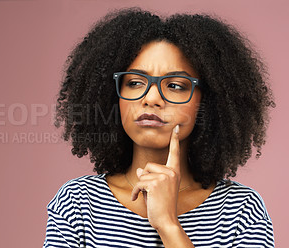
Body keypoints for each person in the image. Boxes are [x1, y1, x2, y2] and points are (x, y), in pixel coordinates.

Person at [44, 7, 275, 248]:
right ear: (115, 97)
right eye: (134, 82)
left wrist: (168, 224)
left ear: (207, 101)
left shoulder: (242, 210)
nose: (152, 98)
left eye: (175, 85)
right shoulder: (77, 203)